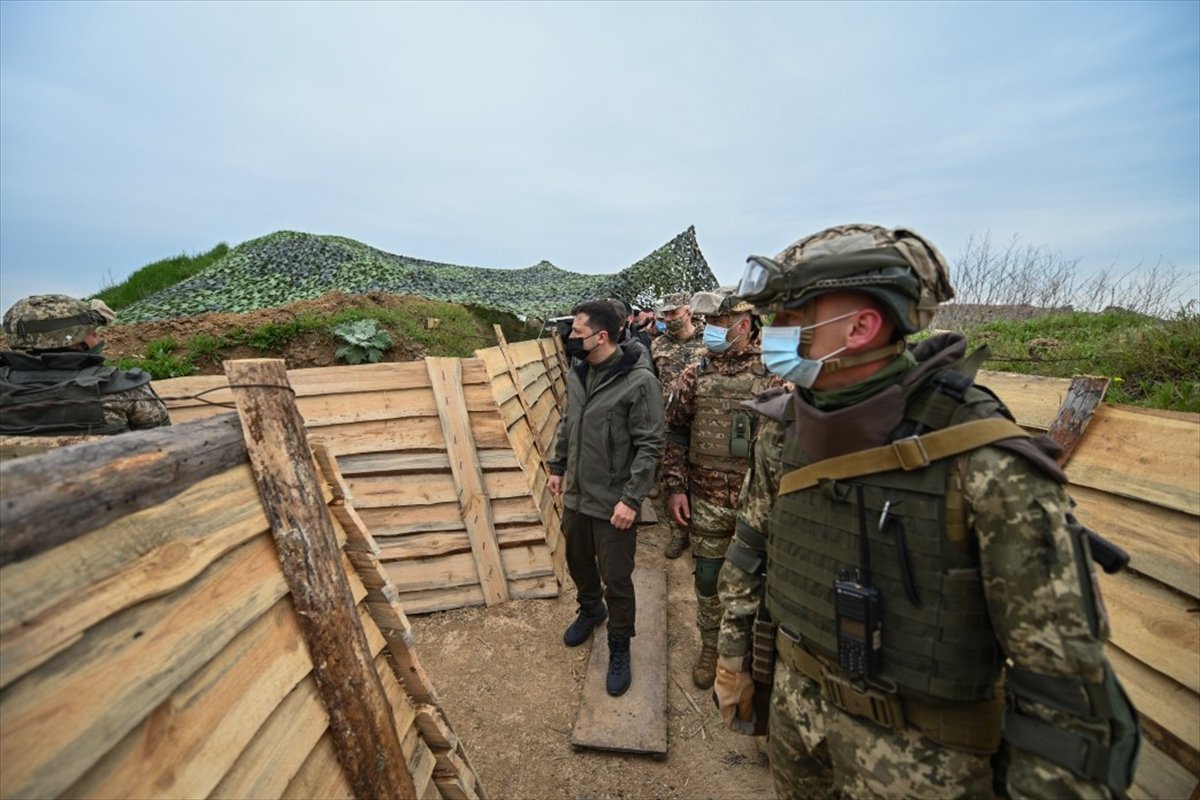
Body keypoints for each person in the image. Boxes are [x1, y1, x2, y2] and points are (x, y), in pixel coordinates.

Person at [713, 224, 1140, 799]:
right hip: (798, 723)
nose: (773, 334)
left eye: (791, 316)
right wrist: (732, 657)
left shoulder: (985, 462)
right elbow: (750, 545)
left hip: (924, 763)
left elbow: (1061, 686)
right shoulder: (786, 430)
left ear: (861, 327)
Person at [660, 287, 783, 690]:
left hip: (760, 502)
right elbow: (675, 431)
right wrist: (676, 488)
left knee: (759, 583)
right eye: (709, 323)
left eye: (716, 323)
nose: (708, 330)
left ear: (743, 325)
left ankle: (748, 654)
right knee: (709, 579)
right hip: (707, 497)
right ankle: (710, 647)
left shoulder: (777, 374)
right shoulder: (696, 372)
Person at [548, 299, 664, 697]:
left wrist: (632, 500)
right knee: (577, 561)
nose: (571, 338)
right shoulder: (579, 371)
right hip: (578, 494)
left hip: (613, 501)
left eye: (578, 332)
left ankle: (619, 644)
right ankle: (589, 609)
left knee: (616, 577)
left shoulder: (639, 381)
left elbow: (650, 446)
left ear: (601, 337)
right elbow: (570, 422)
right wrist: (558, 466)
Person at [1, 294, 171, 435]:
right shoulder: (124, 390)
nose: (100, 339)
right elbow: (164, 442)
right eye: (93, 333)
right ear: (73, 340)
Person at [649, 291, 707, 558]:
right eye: (665, 314)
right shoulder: (657, 345)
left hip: (703, 420)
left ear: (689, 312)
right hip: (669, 424)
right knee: (671, 479)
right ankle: (678, 532)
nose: (668, 318)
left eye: (674, 312)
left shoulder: (709, 340)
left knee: (703, 477)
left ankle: (703, 533)